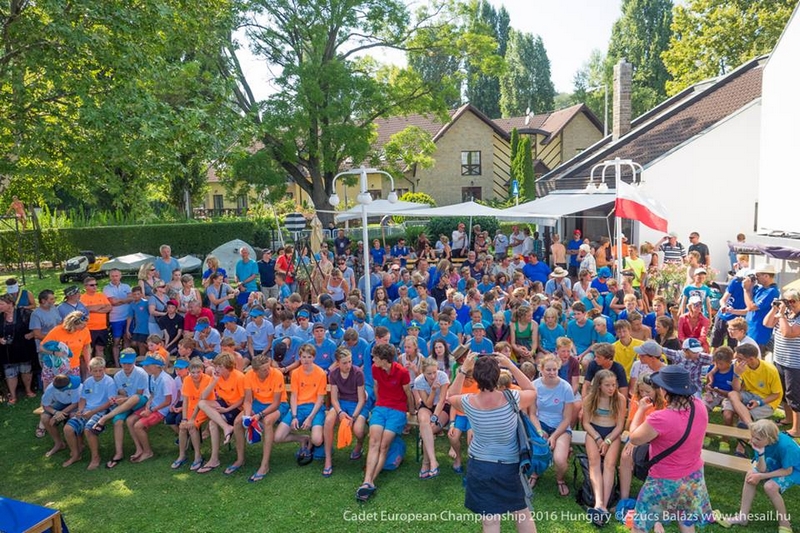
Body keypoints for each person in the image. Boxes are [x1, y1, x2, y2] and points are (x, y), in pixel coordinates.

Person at [447, 352, 537, 533]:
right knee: (522, 513)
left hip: (480, 466)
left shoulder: (468, 401)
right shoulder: (513, 397)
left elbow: (451, 395)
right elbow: (532, 390)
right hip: (509, 466)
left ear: (475, 377)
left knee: (490, 520)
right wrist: (511, 365)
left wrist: (463, 370)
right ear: (498, 376)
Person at [628, 366, 712, 533]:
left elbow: (634, 438)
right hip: (693, 476)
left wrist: (641, 410)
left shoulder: (660, 418)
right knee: (685, 519)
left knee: (640, 524)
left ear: (665, 391)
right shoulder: (699, 406)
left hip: (663, 480)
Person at [356, 343, 415, 502]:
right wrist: (379, 404)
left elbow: (408, 393)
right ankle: (367, 481)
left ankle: (369, 481)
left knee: (384, 445)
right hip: (381, 408)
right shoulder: (375, 369)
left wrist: (411, 411)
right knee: (373, 442)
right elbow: (376, 387)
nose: (373, 359)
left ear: (384, 359)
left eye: (375, 357)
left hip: (398, 410)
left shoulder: (402, 372)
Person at [721, 419, 799, 532]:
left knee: (770, 487)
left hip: (795, 469)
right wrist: (761, 453)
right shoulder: (760, 443)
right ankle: (742, 517)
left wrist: (761, 476)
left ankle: (785, 523)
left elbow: (787, 471)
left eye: (757, 439)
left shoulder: (785, 446)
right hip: (777, 464)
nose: (753, 440)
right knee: (751, 475)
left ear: (770, 439)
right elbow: (761, 469)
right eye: (752, 436)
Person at [227, 354, 288, 480]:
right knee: (238, 421)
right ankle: (240, 459)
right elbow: (248, 400)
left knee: (267, 421)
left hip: (278, 404)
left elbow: (276, 403)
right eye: (264, 369)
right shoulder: (249, 375)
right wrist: (247, 416)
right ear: (255, 371)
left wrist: (259, 415)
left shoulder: (277, 374)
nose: (268, 371)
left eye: (268, 367)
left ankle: (264, 465)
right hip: (258, 403)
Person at [616, 373, 666, 520]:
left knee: (649, 456)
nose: (644, 394)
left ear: (657, 390)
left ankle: (653, 498)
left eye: (648, 391)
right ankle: (624, 498)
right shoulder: (637, 399)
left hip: (656, 439)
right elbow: (632, 425)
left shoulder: (664, 403)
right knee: (626, 456)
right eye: (641, 391)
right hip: (638, 435)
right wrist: (632, 440)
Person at [88, 349, 148, 469]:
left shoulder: (141, 373)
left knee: (135, 398)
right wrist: (119, 399)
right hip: (126, 402)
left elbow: (139, 394)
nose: (126, 366)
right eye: (124, 363)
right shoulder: (118, 376)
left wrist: (123, 399)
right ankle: (118, 453)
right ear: (120, 362)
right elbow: (121, 393)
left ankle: (104, 418)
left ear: (134, 362)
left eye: (129, 363)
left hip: (140, 402)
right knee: (118, 421)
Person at [582, 369, 626, 525]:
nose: (611, 388)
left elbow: (620, 426)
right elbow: (586, 423)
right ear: (599, 385)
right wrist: (597, 438)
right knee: (594, 463)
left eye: (613, 385)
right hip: (594, 431)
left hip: (612, 433)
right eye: (607, 385)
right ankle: (598, 502)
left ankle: (604, 506)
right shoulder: (590, 398)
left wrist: (607, 441)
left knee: (610, 465)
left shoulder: (620, 399)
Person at [726, 343, 783, 455]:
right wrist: (736, 375)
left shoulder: (770, 370)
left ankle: (741, 448)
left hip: (767, 400)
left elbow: (776, 395)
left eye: (740, 358)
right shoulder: (740, 366)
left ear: (751, 359)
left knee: (743, 417)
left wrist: (759, 402)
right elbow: (736, 390)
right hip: (749, 394)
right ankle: (750, 425)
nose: (736, 361)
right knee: (732, 395)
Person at [274, 344, 327, 464]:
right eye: (303, 357)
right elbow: (293, 396)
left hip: (315, 408)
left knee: (317, 440)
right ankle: (303, 439)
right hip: (298, 407)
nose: (306, 360)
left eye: (309, 357)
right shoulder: (296, 373)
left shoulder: (321, 373)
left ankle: (316, 443)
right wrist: (294, 416)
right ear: (299, 358)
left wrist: (310, 418)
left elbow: (320, 399)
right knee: (278, 437)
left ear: (314, 357)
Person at [61, 357, 115, 468]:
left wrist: (92, 412)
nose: (98, 373)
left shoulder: (109, 382)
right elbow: (83, 399)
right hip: (86, 410)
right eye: (95, 371)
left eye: (100, 370)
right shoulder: (88, 381)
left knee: (89, 429)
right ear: (90, 371)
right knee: (68, 429)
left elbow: (110, 403)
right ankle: (76, 454)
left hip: (101, 410)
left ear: (104, 369)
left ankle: (95, 457)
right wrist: (80, 410)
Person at [196, 352, 245, 473]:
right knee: (201, 403)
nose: (217, 369)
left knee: (212, 423)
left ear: (228, 367)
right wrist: (214, 380)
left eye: (220, 366)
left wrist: (227, 410)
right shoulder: (217, 376)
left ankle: (214, 459)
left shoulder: (239, 377)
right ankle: (226, 427)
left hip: (237, 408)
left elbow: (243, 399)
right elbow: (203, 396)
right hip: (225, 403)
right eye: (216, 366)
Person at [534, 354, 575, 497]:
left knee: (560, 460)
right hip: (540, 423)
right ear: (541, 369)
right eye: (548, 370)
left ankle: (560, 479)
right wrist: (539, 431)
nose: (552, 373)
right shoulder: (534, 386)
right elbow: (531, 414)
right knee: (536, 452)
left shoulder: (566, 387)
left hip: (561, 426)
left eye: (554, 370)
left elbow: (567, 418)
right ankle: (534, 473)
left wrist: (554, 436)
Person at [323, 347, 367, 476]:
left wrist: (353, 417)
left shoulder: (358, 373)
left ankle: (359, 444)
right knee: (328, 421)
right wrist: (340, 412)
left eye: (350, 361)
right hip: (342, 402)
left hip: (356, 403)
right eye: (344, 363)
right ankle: (328, 459)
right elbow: (334, 399)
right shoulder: (334, 374)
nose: (348, 365)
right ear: (337, 363)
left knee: (358, 430)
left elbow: (361, 399)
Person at [764, 289, 800, 438]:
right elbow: (767, 323)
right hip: (780, 360)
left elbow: (788, 333)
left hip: (795, 364)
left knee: (794, 396)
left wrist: (781, 315)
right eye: (787, 301)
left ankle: (797, 429)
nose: (789, 304)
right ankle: (788, 419)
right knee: (784, 392)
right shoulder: (784, 313)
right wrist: (775, 309)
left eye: (793, 301)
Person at [413, 357, 450, 479]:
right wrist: (433, 390)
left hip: (442, 407)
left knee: (428, 430)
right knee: (424, 423)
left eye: (435, 372)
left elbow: (442, 400)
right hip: (427, 405)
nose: (433, 376)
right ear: (423, 372)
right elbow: (428, 404)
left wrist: (434, 417)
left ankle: (426, 463)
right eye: (429, 373)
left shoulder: (442, 376)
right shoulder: (419, 381)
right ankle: (433, 461)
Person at [0, 293, 36, 403]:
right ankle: (13, 396)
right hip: (7, 350)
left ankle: (28, 390)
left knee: (26, 370)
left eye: (1, 304)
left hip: (24, 348)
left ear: (10, 304)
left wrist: (32, 334)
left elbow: (37, 326)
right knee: (10, 373)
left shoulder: (24, 313)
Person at [39, 374, 82, 458]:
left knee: (73, 416)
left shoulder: (75, 386)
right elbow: (45, 405)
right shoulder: (50, 389)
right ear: (62, 390)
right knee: (45, 418)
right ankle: (59, 443)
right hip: (61, 403)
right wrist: (55, 412)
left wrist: (60, 414)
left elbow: (75, 403)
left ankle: (79, 444)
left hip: (76, 403)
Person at [41, 311, 91, 379]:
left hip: (73, 366)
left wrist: (88, 364)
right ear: (73, 323)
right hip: (54, 366)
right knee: (51, 385)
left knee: (74, 385)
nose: (85, 327)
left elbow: (86, 348)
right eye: (82, 325)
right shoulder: (57, 331)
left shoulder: (85, 331)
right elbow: (42, 347)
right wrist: (54, 353)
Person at [103, 269, 133, 366]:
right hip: (115, 318)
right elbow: (113, 302)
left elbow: (131, 299)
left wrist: (119, 301)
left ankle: (126, 362)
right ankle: (117, 364)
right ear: (110, 277)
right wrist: (125, 300)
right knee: (116, 341)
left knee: (127, 340)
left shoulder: (126, 286)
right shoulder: (106, 288)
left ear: (120, 276)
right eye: (112, 276)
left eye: (116, 276)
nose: (115, 278)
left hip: (127, 317)